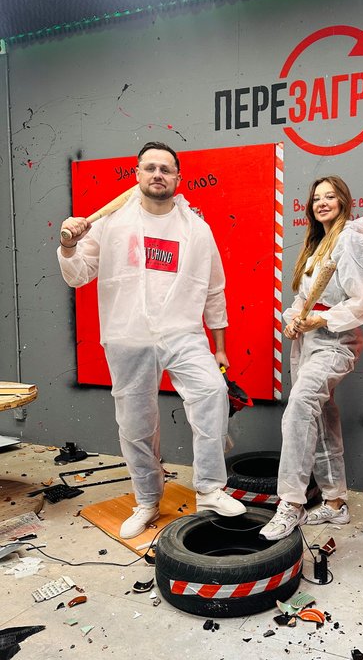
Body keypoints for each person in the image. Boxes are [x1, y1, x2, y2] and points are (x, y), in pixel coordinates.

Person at [57, 141, 245, 539]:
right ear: (137, 174)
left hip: (182, 332)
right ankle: (146, 499)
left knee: (212, 392)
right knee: (136, 423)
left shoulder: (196, 229)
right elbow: (78, 274)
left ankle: (210, 489)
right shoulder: (111, 223)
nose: (158, 174)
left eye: (166, 169)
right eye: (150, 168)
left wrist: (220, 346)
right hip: (128, 336)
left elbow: (214, 289)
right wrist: (69, 245)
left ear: (178, 178)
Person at [260, 176, 363, 541]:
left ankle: (291, 504)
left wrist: (321, 319)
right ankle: (335, 502)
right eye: (316, 198)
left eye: (330, 196)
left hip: (336, 341)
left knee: (300, 405)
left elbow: (361, 302)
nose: (322, 203)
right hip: (308, 342)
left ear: (343, 201)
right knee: (322, 416)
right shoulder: (316, 247)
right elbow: (303, 299)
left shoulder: (351, 242)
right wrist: (294, 320)